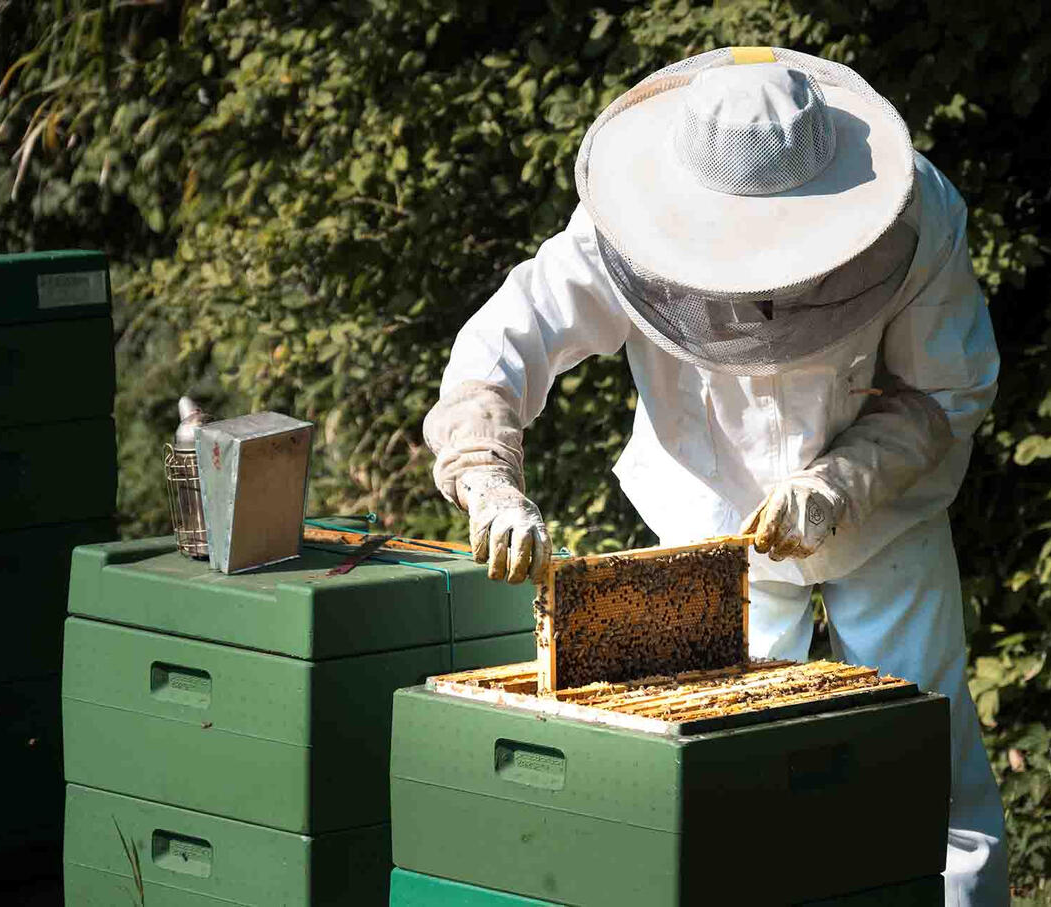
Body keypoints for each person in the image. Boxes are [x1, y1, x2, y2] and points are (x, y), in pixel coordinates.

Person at [424, 46, 1007, 905]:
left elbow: (944, 388)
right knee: (724, 773)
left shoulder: (913, 210)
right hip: (709, 516)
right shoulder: (619, 226)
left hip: (884, 518)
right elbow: (498, 351)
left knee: (931, 760)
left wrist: (841, 479)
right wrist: (483, 473)